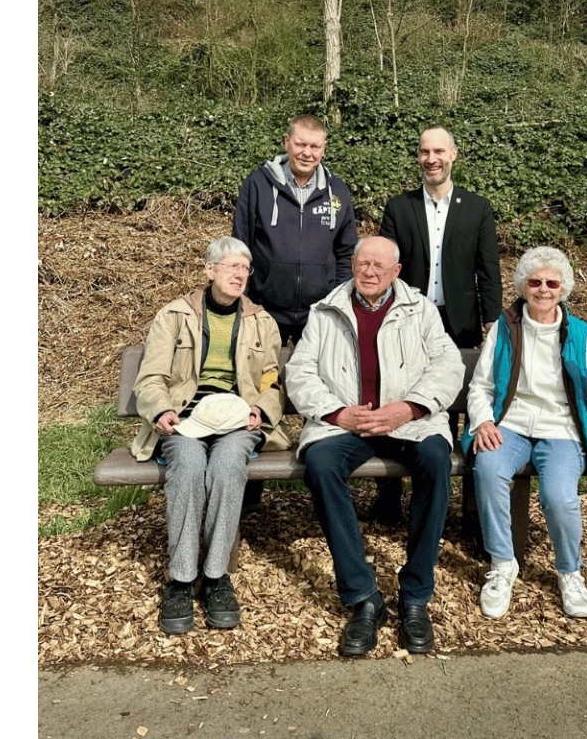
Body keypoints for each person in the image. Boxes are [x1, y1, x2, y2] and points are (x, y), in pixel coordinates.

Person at [286, 237, 465, 656]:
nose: (369, 272)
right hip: (346, 423)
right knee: (321, 463)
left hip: (407, 421)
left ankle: (416, 595)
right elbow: (300, 373)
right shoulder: (326, 310)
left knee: (436, 461)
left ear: (396, 272)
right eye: (362, 263)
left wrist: (410, 407)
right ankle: (363, 596)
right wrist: (336, 413)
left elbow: (448, 364)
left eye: (379, 267)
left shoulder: (420, 310)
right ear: (352, 265)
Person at [459, 246, 587, 620]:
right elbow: (481, 387)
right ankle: (503, 564)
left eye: (551, 283)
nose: (542, 289)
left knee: (559, 497)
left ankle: (570, 571)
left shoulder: (583, 334)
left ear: (562, 288)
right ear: (523, 286)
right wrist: (484, 422)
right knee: (488, 471)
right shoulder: (505, 327)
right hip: (512, 424)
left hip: (561, 429)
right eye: (535, 282)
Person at [131, 237, 291, 635]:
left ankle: (217, 576)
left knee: (225, 466)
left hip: (238, 422)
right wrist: (163, 410)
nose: (240, 275)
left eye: (245, 269)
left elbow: (273, 382)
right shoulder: (174, 316)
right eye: (232, 267)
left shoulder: (261, 321)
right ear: (210, 270)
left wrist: (262, 410)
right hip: (186, 419)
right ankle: (182, 579)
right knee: (186, 465)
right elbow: (150, 379)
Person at [374, 125, 502, 523]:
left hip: (458, 322)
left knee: (450, 406)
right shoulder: (400, 207)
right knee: (396, 395)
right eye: (425, 151)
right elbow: (382, 268)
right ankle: (389, 496)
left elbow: (489, 272)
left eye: (439, 151)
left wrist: (494, 327)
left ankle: (445, 499)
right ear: (419, 156)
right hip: (406, 319)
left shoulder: (477, 208)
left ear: (454, 155)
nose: (432, 159)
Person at [233, 114, 359, 345]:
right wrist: (247, 300)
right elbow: (240, 246)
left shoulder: (338, 191)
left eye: (314, 146)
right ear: (287, 142)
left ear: (324, 148)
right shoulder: (257, 185)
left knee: (314, 380)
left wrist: (335, 300)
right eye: (300, 144)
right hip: (265, 310)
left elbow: (346, 253)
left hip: (319, 314)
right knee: (264, 379)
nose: (307, 153)